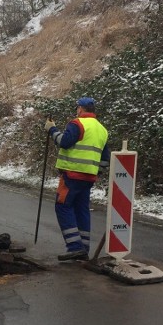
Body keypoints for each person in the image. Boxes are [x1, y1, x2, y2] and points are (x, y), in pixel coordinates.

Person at [44, 96, 110, 261]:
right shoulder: (102, 130)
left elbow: (64, 142)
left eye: (77, 108)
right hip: (88, 178)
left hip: (72, 175)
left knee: (63, 206)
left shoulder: (77, 124)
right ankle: (84, 248)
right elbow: (105, 159)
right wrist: (96, 171)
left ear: (80, 109)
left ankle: (74, 247)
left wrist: (52, 129)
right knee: (81, 209)